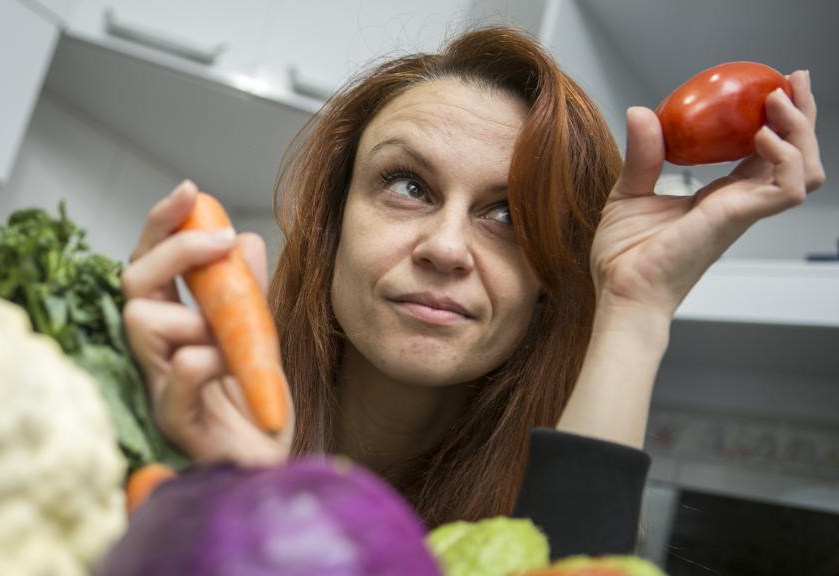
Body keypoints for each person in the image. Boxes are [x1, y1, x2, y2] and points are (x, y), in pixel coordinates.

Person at [120, 26, 824, 558]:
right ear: (333, 224)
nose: (446, 248)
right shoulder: (170, 416)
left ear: (551, 281)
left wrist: (636, 305)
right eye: (408, 185)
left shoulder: (526, 527)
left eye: (508, 215)